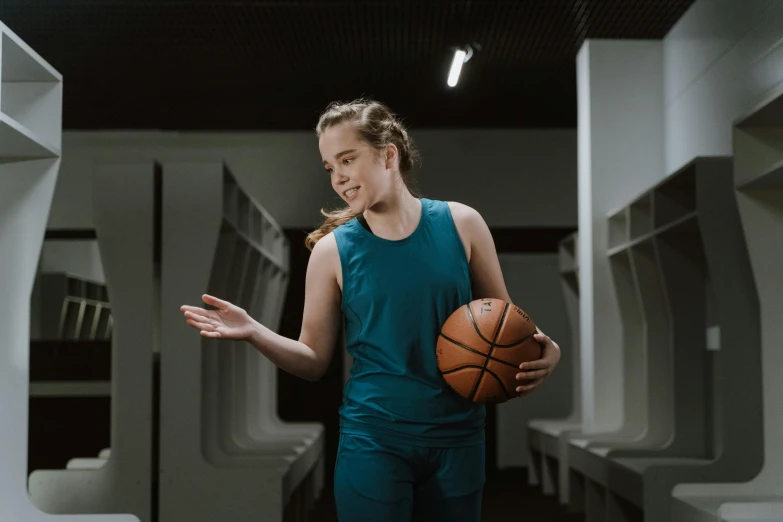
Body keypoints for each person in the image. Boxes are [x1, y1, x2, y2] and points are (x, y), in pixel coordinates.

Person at [180, 98, 562, 522]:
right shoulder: (331, 252)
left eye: (347, 159)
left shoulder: (463, 223)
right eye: (329, 167)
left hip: (459, 436)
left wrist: (545, 351)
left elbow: (504, 324)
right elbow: (313, 361)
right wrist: (254, 330)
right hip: (375, 437)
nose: (339, 178)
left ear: (388, 154)